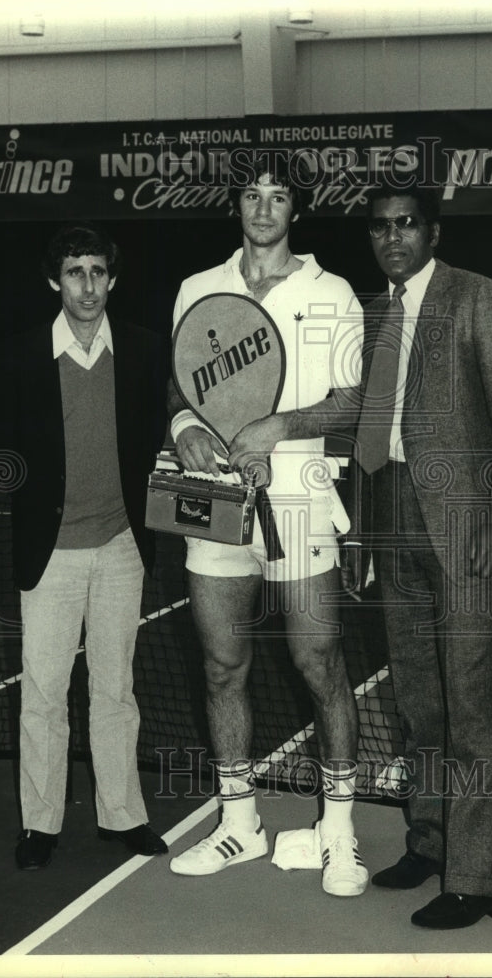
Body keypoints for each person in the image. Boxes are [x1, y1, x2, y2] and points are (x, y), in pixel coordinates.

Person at [166, 154, 368, 896]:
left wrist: (280, 425)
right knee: (222, 666)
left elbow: (350, 400)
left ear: (296, 211)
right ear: (236, 206)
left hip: (301, 496)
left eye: (278, 196)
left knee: (318, 664)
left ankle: (338, 836)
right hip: (214, 496)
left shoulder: (333, 292)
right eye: (251, 195)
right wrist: (186, 421)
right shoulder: (199, 289)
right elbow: (178, 379)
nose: (262, 209)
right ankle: (238, 823)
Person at [346, 184, 492, 928]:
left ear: (432, 231)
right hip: (393, 516)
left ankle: (479, 878)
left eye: (405, 225)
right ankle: (429, 840)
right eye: (379, 228)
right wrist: (362, 531)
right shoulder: (376, 314)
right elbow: (370, 420)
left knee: (471, 707)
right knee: (418, 702)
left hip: (462, 526)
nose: (392, 238)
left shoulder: (476, 298)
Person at [0, 223, 169, 869]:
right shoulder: (19, 355)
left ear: (112, 279)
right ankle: (41, 824)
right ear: (53, 281)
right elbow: (2, 453)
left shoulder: (145, 352)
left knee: (116, 689)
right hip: (52, 555)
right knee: (43, 693)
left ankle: (124, 816)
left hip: (122, 547)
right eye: (74, 272)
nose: (87, 285)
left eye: (97, 271)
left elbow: (160, 438)